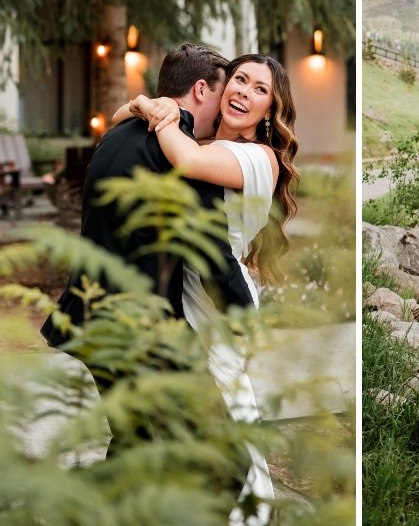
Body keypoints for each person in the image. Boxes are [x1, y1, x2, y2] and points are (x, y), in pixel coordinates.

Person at [125, 52, 299, 526]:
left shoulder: (259, 158)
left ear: (270, 111)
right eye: (239, 80)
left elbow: (189, 161)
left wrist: (162, 116)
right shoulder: (201, 137)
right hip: (185, 291)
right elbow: (124, 119)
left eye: (259, 89)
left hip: (221, 299)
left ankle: (242, 509)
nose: (244, 92)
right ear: (221, 88)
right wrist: (147, 102)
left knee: (222, 404)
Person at [41, 42, 254, 362]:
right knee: (210, 412)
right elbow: (211, 256)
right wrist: (249, 321)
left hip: (87, 319)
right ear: (200, 90)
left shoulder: (118, 133)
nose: (223, 110)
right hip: (144, 330)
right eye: (221, 96)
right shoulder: (184, 153)